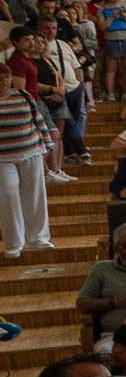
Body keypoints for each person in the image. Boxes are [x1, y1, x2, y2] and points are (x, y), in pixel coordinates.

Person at [0, 63, 56, 256]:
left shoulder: (23, 95)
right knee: (8, 194)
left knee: (35, 195)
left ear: (10, 78)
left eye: (5, 77)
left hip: (31, 151)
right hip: (2, 158)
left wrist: (47, 144)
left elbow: (38, 119)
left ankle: (38, 239)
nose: (3, 81)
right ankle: (14, 243)